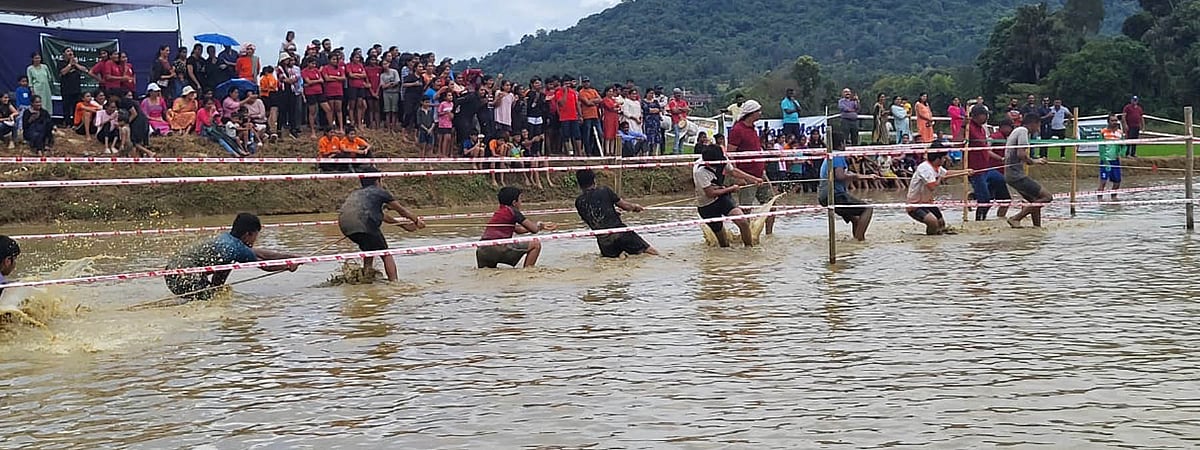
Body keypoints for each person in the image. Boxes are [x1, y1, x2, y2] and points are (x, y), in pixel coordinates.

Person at [164, 213, 300, 301]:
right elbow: (265, 266)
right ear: (248, 234)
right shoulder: (236, 248)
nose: (255, 240)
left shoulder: (227, 239)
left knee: (214, 293)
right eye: (256, 235)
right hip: (187, 275)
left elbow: (260, 253)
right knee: (212, 302)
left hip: (172, 272)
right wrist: (288, 266)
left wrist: (291, 257)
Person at [338, 170, 426, 282]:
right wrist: (416, 221)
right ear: (377, 181)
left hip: (345, 225)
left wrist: (404, 226)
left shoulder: (356, 193)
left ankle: (367, 278)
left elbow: (382, 216)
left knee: (369, 249)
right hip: (364, 222)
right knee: (385, 253)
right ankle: (394, 283)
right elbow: (402, 211)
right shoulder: (380, 192)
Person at [571, 168, 657, 257]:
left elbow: (592, 219)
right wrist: (636, 207)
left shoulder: (579, 202)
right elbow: (625, 206)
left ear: (579, 184)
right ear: (594, 180)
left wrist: (612, 213)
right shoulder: (604, 190)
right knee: (651, 252)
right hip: (620, 233)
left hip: (604, 243)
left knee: (614, 264)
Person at [694, 140, 762, 247]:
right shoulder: (699, 171)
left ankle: (749, 250)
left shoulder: (722, 159)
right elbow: (710, 193)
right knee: (723, 243)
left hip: (722, 198)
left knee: (743, 222)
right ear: (708, 162)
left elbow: (733, 171)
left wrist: (753, 179)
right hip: (707, 205)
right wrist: (730, 189)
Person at [476, 187, 558, 269]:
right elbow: (534, 229)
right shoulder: (513, 211)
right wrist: (540, 225)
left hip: (482, 250)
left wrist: (539, 227)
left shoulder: (499, 212)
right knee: (535, 244)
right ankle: (528, 271)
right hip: (497, 248)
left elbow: (519, 230)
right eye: (520, 199)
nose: (521, 202)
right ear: (514, 202)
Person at [727, 99, 776, 234]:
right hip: (746, 174)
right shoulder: (737, 130)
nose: (760, 113)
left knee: (771, 205)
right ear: (752, 113)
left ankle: (769, 235)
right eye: (758, 111)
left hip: (760, 173)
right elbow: (730, 154)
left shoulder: (753, 129)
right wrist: (737, 178)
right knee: (746, 209)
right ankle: (747, 237)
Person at [906, 143, 973, 235]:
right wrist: (940, 178)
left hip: (927, 202)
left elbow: (946, 173)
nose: (946, 159)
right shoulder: (925, 169)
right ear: (938, 158)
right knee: (933, 222)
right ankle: (930, 243)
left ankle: (938, 241)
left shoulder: (936, 167)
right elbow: (932, 187)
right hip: (915, 205)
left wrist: (965, 171)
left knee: (941, 223)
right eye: (944, 157)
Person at [818, 131, 875, 241]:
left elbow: (841, 176)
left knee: (855, 219)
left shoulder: (830, 155)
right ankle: (859, 240)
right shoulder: (838, 155)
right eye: (845, 143)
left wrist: (865, 176)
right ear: (841, 144)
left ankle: (855, 241)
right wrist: (857, 176)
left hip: (824, 196)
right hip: (835, 195)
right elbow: (840, 176)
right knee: (867, 209)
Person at [1005, 113, 1053, 228]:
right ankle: (1015, 218)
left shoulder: (1018, 130)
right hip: (1016, 175)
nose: (1038, 128)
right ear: (1033, 123)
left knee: (1035, 200)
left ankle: (1037, 228)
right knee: (1047, 197)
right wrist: (1036, 161)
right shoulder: (1023, 132)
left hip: (1011, 174)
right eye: (1038, 125)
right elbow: (1021, 154)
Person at [966, 107, 1012, 221]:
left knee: (1000, 180)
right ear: (977, 115)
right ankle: (979, 221)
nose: (987, 117)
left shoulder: (982, 129)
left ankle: (974, 197)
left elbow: (985, 149)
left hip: (987, 168)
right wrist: (963, 126)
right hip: (976, 170)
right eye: (985, 115)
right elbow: (958, 143)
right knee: (985, 200)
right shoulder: (968, 127)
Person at [58, 48, 89, 128]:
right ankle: (67, 123)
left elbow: (85, 70)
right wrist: (70, 64)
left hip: (76, 89)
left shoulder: (76, 63)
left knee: (77, 107)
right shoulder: (61, 63)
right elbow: (63, 72)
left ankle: (76, 123)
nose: (70, 53)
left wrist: (75, 64)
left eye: (71, 51)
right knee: (66, 107)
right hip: (66, 89)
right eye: (68, 51)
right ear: (64, 54)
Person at [1098, 113, 1125, 201]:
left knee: (1117, 181)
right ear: (1108, 122)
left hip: (1115, 161)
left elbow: (1123, 145)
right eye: (1112, 120)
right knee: (1103, 181)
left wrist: (1122, 153)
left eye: (1116, 120)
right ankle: (1100, 200)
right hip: (1106, 160)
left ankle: (1114, 198)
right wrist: (1104, 160)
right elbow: (1101, 147)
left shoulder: (1120, 133)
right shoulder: (1103, 132)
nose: (1114, 122)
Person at [578, 77, 602, 156]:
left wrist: (592, 101)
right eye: (585, 82)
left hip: (595, 115)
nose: (586, 83)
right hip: (587, 116)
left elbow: (600, 99)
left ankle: (597, 150)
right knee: (587, 135)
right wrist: (594, 101)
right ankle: (588, 151)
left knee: (599, 133)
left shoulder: (593, 90)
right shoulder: (581, 92)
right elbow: (587, 103)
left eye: (588, 82)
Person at [667, 88, 690, 154]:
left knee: (683, 137)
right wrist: (682, 109)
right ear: (674, 95)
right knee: (677, 135)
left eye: (679, 94)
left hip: (683, 122)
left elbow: (687, 109)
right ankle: (675, 151)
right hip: (676, 121)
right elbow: (674, 111)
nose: (678, 96)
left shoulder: (683, 102)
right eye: (677, 94)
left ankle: (681, 151)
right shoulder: (672, 102)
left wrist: (679, 109)